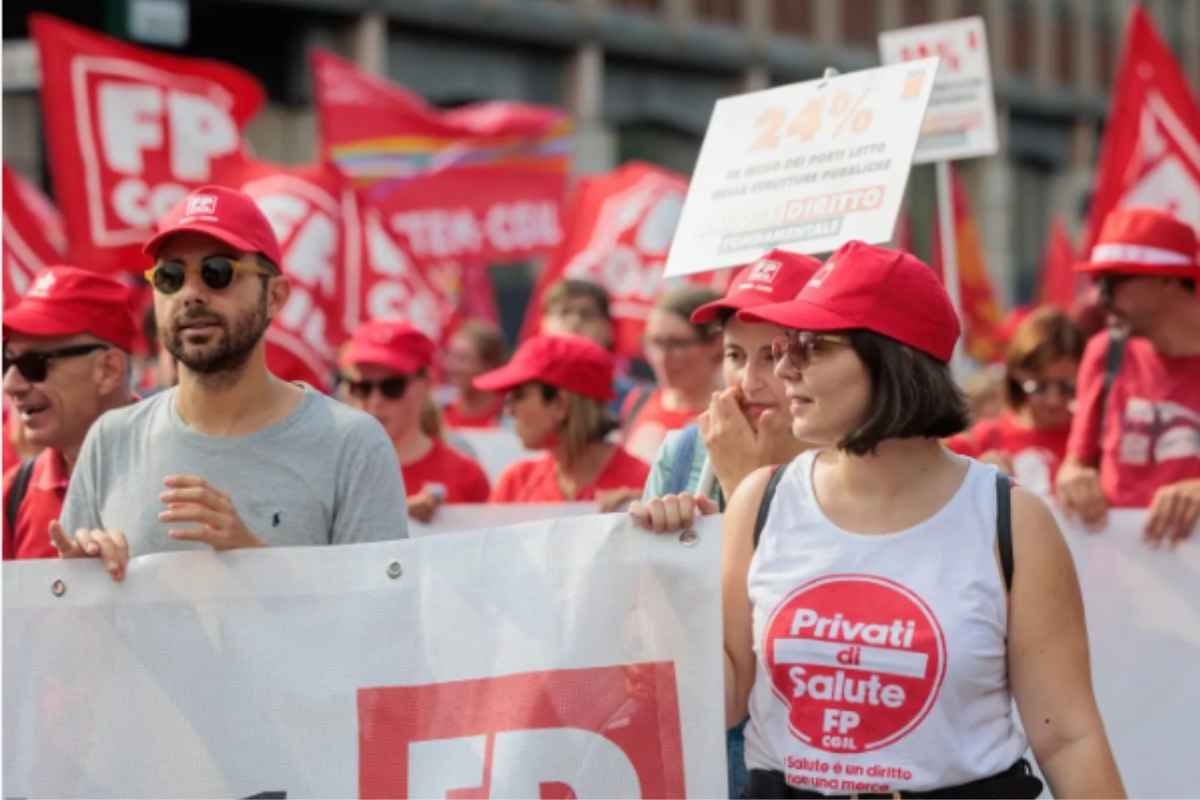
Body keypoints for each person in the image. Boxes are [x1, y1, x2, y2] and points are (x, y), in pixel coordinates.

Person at [722, 241, 1123, 797]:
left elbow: (1068, 738)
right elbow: (717, 701)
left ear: (892, 361)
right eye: (787, 345)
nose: (785, 366)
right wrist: (655, 563)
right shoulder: (759, 501)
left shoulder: (1011, 519)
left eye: (813, 347)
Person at [53, 185, 408, 582]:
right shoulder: (110, 440)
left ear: (275, 296)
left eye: (216, 272)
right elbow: (70, 631)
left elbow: (378, 622)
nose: (190, 294)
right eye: (170, 276)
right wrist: (83, 581)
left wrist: (252, 561)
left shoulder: (352, 445)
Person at [629, 248, 821, 800]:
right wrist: (657, 547)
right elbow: (639, 614)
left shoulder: (846, 459)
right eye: (738, 355)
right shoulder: (687, 450)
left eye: (777, 355)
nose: (753, 379)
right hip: (709, 751)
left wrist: (747, 488)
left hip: (809, 757)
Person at [1057, 207, 1200, 545]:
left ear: (1169, 280)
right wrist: (1075, 481)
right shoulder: (1104, 354)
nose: (1099, 297)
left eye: (1114, 281)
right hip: (1123, 580)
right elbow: (1073, 466)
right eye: (1098, 282)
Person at [3, 267, 139, 560]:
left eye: (34, 364)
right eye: (6, 362)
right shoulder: (13, 494)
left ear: (109, 370)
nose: (10, 385)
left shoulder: (181, 473)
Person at [341, 320, 490, 522]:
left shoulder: (466, 476)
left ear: (426, 384)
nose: (375, 401)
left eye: (393, 386)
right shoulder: (332, 472)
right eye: (362, 387)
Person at [476, 334, 649, 503]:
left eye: (519, 396)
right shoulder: (515, 484)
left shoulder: (647, 484)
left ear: (559, 404)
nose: (508, 411)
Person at [946, 307, 1085, 495]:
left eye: (1067, 386)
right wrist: (976, 480)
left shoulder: (1093, 442)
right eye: (1039, 386)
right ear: (1016, 377)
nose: (1054, 400)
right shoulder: (984, 439)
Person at [621, 285, 723, 463]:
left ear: (715, 344)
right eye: (655, 342)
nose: (662, 357)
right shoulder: (639, 399)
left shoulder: (731, 416)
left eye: (677, 344)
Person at [441, 319, 508, 430]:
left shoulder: (510, 413)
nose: (451, 366)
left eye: (461, 359)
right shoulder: (439, 409)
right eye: (449, 355)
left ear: (488, 365)